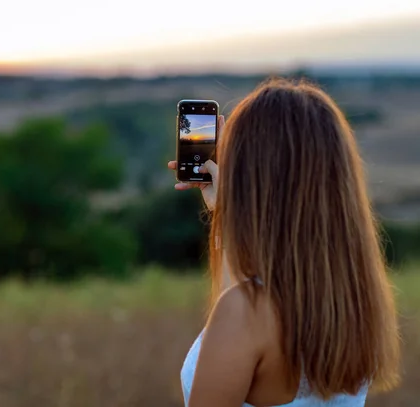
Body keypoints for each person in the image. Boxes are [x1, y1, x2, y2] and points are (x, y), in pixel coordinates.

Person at [167, 78, 401, 407]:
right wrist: (226, 212)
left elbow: (242, 310)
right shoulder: (353, 300)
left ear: (252, 178)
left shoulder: (246, 313)